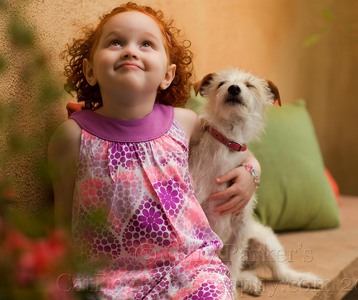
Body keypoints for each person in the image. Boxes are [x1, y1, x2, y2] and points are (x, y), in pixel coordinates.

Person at [48, 2, 261, 299]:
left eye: (146, 43)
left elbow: (232, 146)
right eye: (115, 42)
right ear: (90, 70)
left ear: (168, 75)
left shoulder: (183, 123)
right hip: (106, 277)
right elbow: (62, 221)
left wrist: (252, 171)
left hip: (186, 269)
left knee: (213, 289)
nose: (130, 50)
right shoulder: (72, 136)